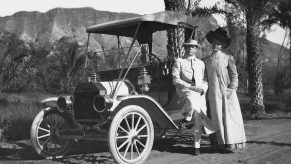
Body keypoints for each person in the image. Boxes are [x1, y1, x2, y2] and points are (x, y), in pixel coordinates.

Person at [204, 27, 246, 152]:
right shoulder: (206, 60)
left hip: (226, 93)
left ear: (222, 45)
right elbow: (205, 78)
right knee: (215, 117)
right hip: (212, 93)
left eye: (218, 43)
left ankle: (230, 143)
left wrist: (231, 88)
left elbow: (234, 76)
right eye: (214, 42)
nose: (215, 45)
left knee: (228, 118)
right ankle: (218, 144)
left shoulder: (228, 58)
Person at [172, 39, 215, 155]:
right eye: (188, 47)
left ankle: (197, 146)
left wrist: (203, 89)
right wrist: (191, 87)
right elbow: (175, 79)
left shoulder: (201, 63)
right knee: (192, 100)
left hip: (199, 93)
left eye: (193, 47)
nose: (190, 48)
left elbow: (205, 80)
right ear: (185, 48)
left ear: (196, 49)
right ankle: (186, 121)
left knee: (198, 119)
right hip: (185, 91)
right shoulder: (179, 61)